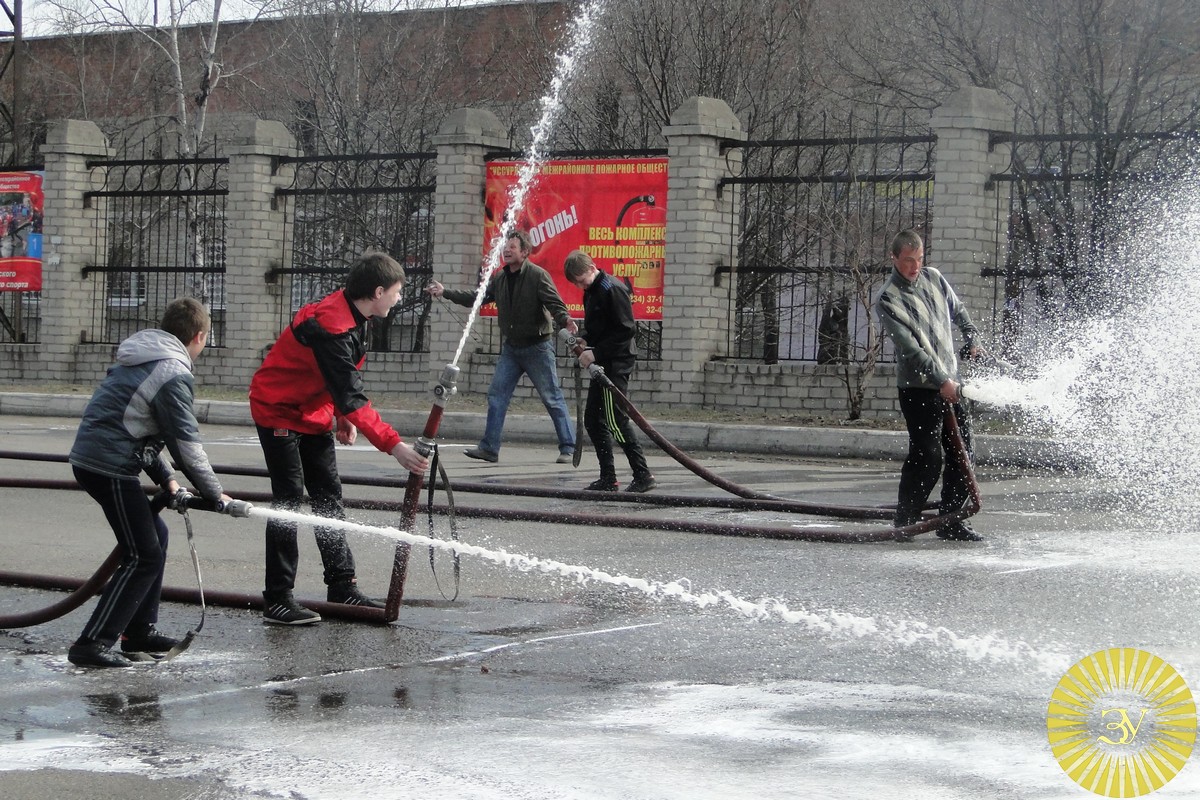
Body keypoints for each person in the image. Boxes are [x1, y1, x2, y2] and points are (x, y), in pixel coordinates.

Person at [249, 251, 429, 625]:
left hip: (311, 413)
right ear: (378, 291)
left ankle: (342, 585)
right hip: (278, 410)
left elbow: (339, 380)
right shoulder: (332, 326)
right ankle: (278, 599)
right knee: (288, 501)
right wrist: (394, 445)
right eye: (396, 292)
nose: (399, 299)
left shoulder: (353, 314)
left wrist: (339, 415)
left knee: (328, 497)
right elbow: (350, 390)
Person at [67, 297, 234, 668]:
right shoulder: (173, 371)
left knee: (155, 536)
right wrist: (215, 494)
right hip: (107, 466)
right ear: (200, 336)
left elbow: (139, 429)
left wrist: (169, 481)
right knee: (143, 553)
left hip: (101, 460)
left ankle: (138, 631)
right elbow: (185, 443)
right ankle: (91, 644)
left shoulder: (146, 358)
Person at [427, 229, 578, 464]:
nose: (506, 250)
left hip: (537, 348)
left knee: (551, 397)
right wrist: (445, 292)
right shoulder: (500, 277)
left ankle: (568, 447)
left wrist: (566, 320)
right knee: (497, 396)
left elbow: (555, 304)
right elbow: (476, 298)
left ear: (525, 252)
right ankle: (489, 449)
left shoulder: (538, 275)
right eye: (505, 247)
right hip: (511, 348)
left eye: (512, 247)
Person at [875, 229, 983, 542]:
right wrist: (941, 381)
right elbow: (912, 351)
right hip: (919, 388)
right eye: (908, 260)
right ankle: (906, 520)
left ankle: (952, 519)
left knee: (964, 453)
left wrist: (972, 339)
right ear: (894, 258)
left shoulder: (934, 278)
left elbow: (959, 311)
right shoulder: (888, 298)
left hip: (952, 383)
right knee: (928, 456)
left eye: (919, 259)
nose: (914, 266)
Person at [563, 250, 656, 493]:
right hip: (604, 363)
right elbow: (599, 328)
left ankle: (642, 474)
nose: (581, 285)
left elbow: (625, 331)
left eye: (582, 280)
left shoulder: (611, 289)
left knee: (615, 420)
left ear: (592, 267)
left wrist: (596, 353)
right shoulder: (592, 292)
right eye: (577, 283)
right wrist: (584, 340)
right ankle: (608, 477)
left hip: (616, 364)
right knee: (593, 420)